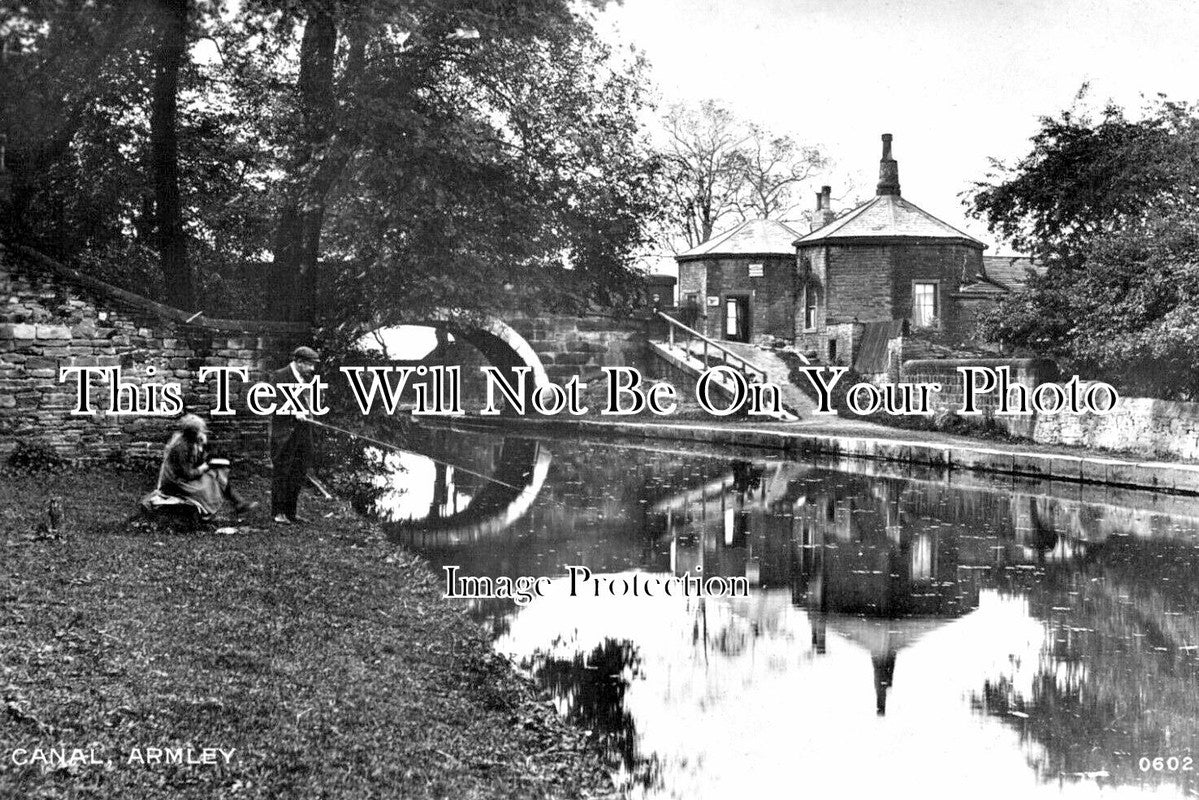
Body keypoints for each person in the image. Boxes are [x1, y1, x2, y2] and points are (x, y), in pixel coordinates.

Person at [148, 414, 255, 519]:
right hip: (176, 484)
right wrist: (204, 467)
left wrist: (202, 450)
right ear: (193, 433)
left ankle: (238, 503)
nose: (202, 433)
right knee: (212, 479)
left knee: (217, 473)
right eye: (200, 431)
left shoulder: (191, 442)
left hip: (184, 479)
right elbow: (188, 473)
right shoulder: (181, 447)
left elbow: (197, 461)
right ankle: (233, 504)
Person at [270, 346, 319, 524]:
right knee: (282, 471)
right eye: (309, 364)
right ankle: (278, 513)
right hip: (285, 433)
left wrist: (310, 413)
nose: (312, 369)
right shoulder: (280, 375)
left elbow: (309, 400)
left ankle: (291, 512)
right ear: (298, 362)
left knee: (299, 472)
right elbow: (272, 402)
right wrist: (292, 411)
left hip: (304, 433)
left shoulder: (308, 378)